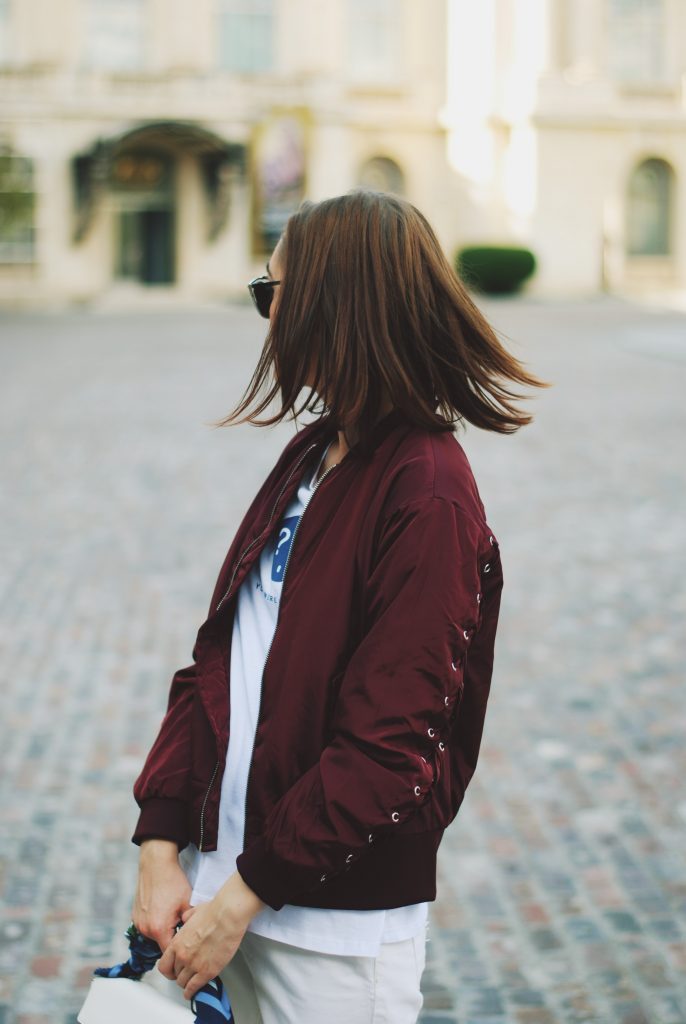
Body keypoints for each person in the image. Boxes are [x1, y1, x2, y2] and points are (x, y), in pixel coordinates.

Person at [129, 189, 549, 1023]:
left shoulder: (428, 494)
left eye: (270, 292)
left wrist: (242, 900)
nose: (265, 313)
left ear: (330, 304)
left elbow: (389, 750)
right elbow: (217, 662)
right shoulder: (310, 456)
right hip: (223, 897)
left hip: (331, 936)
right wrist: (160, 842)